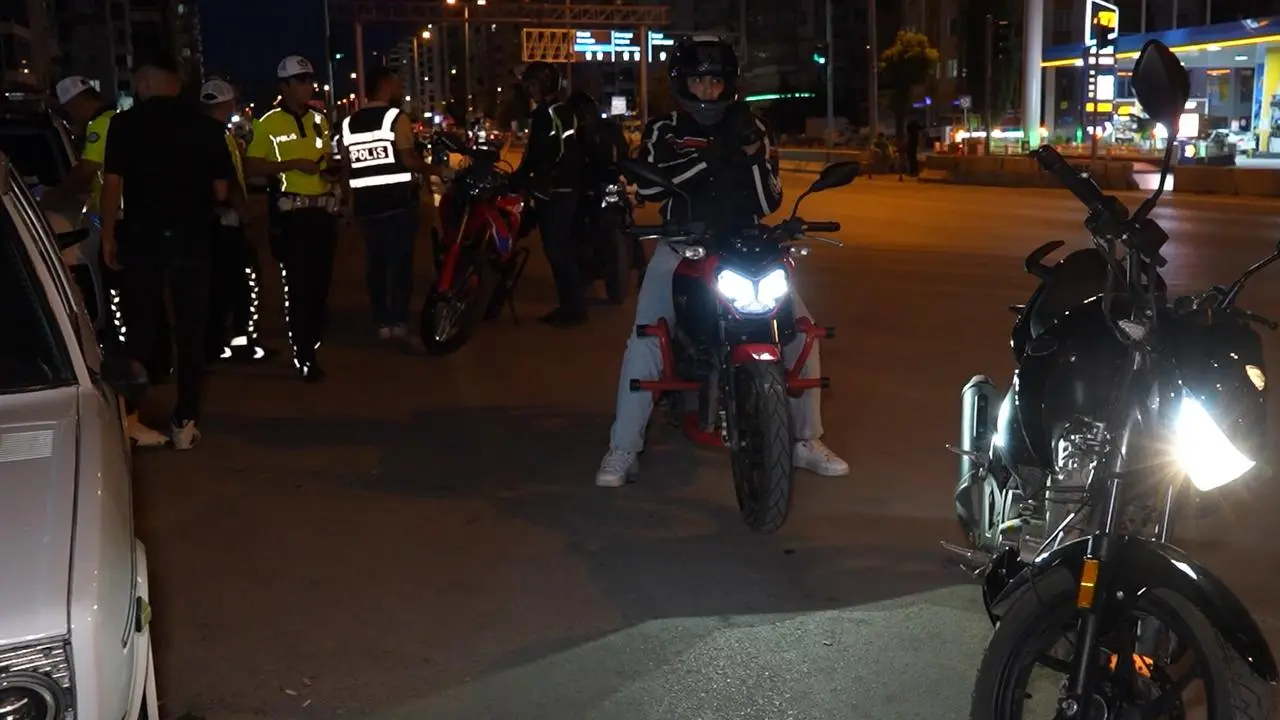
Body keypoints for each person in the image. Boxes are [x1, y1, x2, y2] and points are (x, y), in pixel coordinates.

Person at [595, 35, 849, 487]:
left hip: (745, 246)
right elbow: (651, 188)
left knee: (801, 331)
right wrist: (714, 157)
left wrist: (751, 157)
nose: (707, 89)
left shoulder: (754, 129)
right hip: (682, 244)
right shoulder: (665, 130)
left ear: (729, 83)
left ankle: (806, 440)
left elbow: (769, 201)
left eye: (715, 81)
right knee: (648, 337)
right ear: (682, 83)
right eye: (698, 80)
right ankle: (623, 447)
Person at [100, 55, 235, 449]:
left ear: (145, 83)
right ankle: (184, 422)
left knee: (139, 330)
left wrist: (108, 235)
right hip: (193, 241)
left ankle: (131, 419)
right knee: (191, 334)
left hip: (142, 241)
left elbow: (112, 185)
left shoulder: (124, 124)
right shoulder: (206, 127)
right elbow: (221, 190)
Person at [244, 55, 341, 382]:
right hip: (292, 218)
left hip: (322, 214)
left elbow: (325, 159)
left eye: (310, 79)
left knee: (320, 288)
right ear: (284, 86)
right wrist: (292, 164)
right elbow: (251, 166)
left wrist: (331, 171)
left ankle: (310, 343)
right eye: (300, 80)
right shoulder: (268, 123)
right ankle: (304, 354)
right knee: (299, 288)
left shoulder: (319, 120)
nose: (308, 86)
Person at [338, 65, 438, 341]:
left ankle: (382, 320)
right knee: (401, 264)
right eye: (396, 84)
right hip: (397, 203)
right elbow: (408, 160)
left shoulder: (348, 123)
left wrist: (347, 202)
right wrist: (437, 170)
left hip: (367, 207)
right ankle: (398, 320)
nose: (399, 89)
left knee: (377, 264)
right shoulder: (396, 118)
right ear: (384, 86)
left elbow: (347, 168)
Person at [199, 78, 271, 362]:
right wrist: (245, 216)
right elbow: (226, 184)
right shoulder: (218, 137)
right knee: (245, 284)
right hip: (227, 223)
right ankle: (241, 342)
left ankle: (215, 344)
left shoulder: (201, 134)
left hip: (209, 225)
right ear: (228, 103)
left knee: (217, 287)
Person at [512, 61, 586, 328]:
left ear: (545, 84)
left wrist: (547, 173)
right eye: (528, 84)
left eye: (534, 83)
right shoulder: (542, 114)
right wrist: (518, 176)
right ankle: (568, 306)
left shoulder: (558, 112)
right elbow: (533, 155)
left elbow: (565, 151)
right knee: (553, 249)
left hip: (560, 190)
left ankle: (574, 309)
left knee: (558, 250)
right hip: (547, 191)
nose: (530, 89)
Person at [566, 90, 630, 300]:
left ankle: (641, 265)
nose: (584, 115)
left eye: (586, 111)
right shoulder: (569, 134)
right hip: (582, 188)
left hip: (607, 184)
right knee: (571, 227)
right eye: (581, 112)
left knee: (626, 218)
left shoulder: (608, 129)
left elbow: (624, 151)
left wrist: (626, 170)